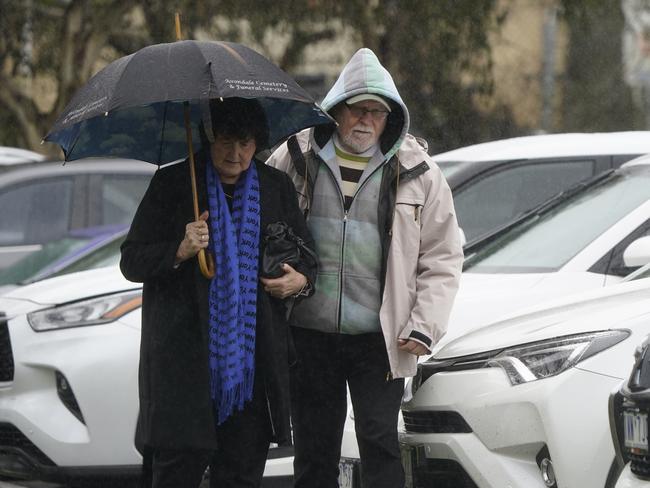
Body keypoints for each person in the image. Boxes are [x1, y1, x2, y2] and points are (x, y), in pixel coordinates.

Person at [266, 48, 464, 488]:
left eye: (377, 112)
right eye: (358, 109)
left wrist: (424, 325)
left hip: (381, 337)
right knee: (315, 450)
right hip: (309, 333)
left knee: (380, 443)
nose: (366, 121)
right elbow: (264, 226)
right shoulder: (295, 157)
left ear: (390, 117)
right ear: (337, 110)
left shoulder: (419, 172)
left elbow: (443, 256)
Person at [120, 97, 316, 488]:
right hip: (185, 370)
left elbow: (308, 259)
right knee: (177, 471)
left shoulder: (274, 187)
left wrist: (300, 282)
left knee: (242, 474)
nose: (236, 153)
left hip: (251, 372)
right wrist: (179, 249)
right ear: (209, 138)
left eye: (246, 144)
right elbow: (132, 261)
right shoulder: (175, 184)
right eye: (226, 140)